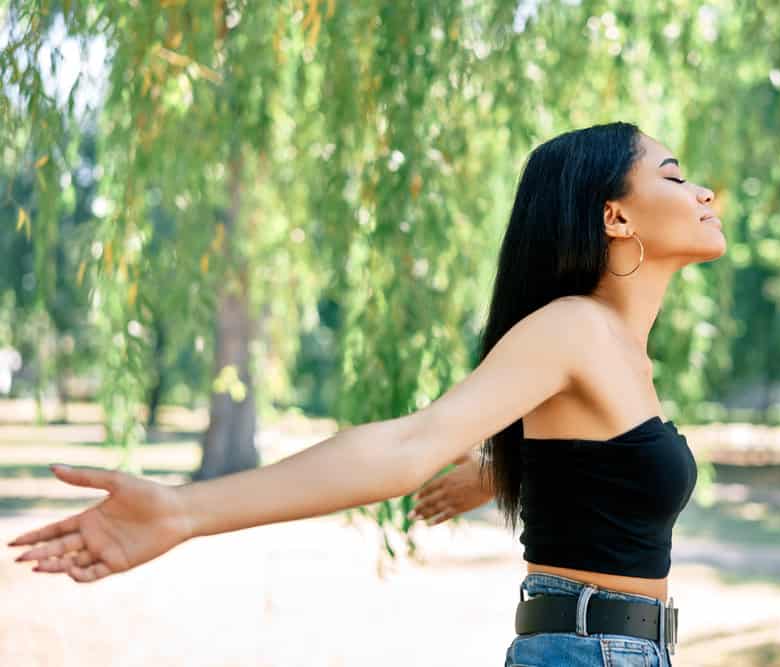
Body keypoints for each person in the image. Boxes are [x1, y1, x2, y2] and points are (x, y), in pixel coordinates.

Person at [7, 121, 721, 666]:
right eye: (673, 176)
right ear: (615, 217)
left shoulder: (617, 349)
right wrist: (183, 509)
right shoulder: (576, 329)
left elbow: (598, 466)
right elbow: (407, 444)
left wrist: (498, 471)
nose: (702, 192)